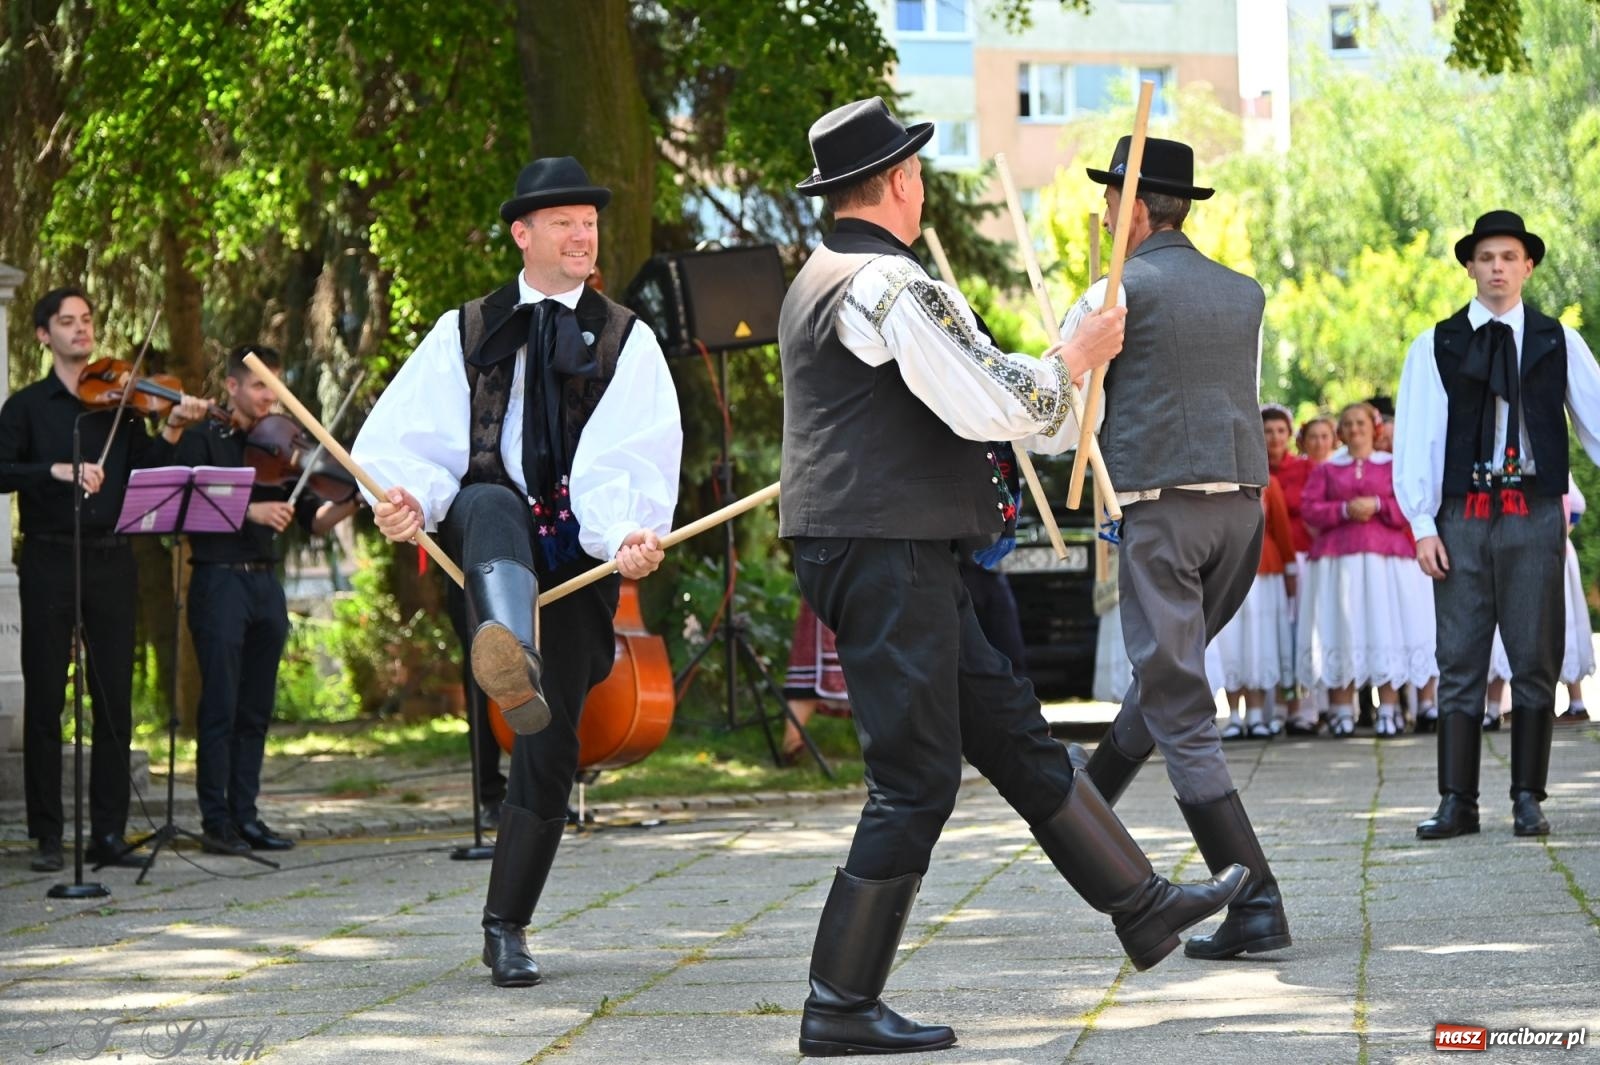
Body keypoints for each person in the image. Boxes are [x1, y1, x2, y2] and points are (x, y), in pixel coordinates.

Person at [780, 98, 1244, 1058]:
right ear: (903, 181)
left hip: (890, 549)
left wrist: (1052, 377)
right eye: (918, 173)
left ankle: (1145, 907)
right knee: (913, 782)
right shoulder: (889, 285)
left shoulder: (824, 275)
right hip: (886, 550)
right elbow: (997, 401)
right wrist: (1073, 359)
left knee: (1021, 741)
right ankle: (838, 1000)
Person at [353, 156, 682, 987]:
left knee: (550, 739)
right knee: (488, 499)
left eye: (591, 223)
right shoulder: (466, 328)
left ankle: (507, 923)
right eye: (565, 222)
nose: (583, 236)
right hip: (492, 532)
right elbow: (410, 446)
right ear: (521, 234)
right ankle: (509, 646)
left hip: (576, 546)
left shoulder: (626, 337)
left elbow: (633, 456)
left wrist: (626, 536)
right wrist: (405, 504)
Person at [1070, 135, 1290, 963]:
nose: (1102, 216)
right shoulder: (1245, 293)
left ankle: (1258, 899)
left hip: (1160, 510)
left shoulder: (1111, 294)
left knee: (1181, 703)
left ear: (1132, 210)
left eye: (1107, 203)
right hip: (1241, 511)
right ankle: (1082, 811)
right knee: (1167, 682)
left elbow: (1069, 412)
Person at [1396, 210, 1600, 839]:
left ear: (1528, 266)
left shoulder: (1556, 340)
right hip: (1460, 514)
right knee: (1458, 658)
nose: (1498, 269)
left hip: (1534, 513)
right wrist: (1422, 523)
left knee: (1535, 658)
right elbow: (1417, 439)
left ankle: (1527, 798)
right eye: (1486, 258)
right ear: (1470, 266)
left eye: (1509, 257)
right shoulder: (1436, 343)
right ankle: (1457, 801)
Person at [0, 287, 209, 873]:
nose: (81, 330)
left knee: (114, 698)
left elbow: (146, 471)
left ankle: (109, 834)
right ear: (44, 335)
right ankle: (47, 836)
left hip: (113, 559)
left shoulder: (121, 403)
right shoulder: (26, 407)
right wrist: (54, 469)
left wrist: (170, 430)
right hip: (47, 558)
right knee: (45, 697)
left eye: (87, 319)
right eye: (67, 322)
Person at [168, 345, 360, 855]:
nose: (270, 398)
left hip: (264, 586)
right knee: (221, 706)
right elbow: (182, 510)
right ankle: (216, 822)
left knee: (255, 709)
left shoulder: (279, 445)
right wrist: (249, 513)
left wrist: (355, 496)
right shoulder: (202, 439)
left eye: (276, 387)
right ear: (232, 386)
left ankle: (246, 815)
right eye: (260, 387)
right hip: (218, 581)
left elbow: (314, 519)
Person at [1297, 402, 1435, 737]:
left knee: (1384, 627)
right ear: (1340, 432)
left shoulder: (1392, 466)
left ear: (1373, 427)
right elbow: (1309, 509)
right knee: (1341, 629)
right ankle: (1342, 710)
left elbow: (1412, 507)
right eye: (1348, 423)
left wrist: (1377, 505)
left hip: (1386, 563)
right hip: (1338, 562)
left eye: (1360, 422)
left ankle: (1389, 708)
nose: (1355, 429)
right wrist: (1344, 509)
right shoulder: (1328, 469)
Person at [1215, 476, 1297, 740]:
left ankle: (1257, 714)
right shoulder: (1216, 481)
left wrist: (1289, 567)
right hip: (1227, 568)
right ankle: (1235, 716)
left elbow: (1281, 528)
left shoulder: (1268, 481)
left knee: (1258, 642)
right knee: (1231, 642)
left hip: (1264, 570)